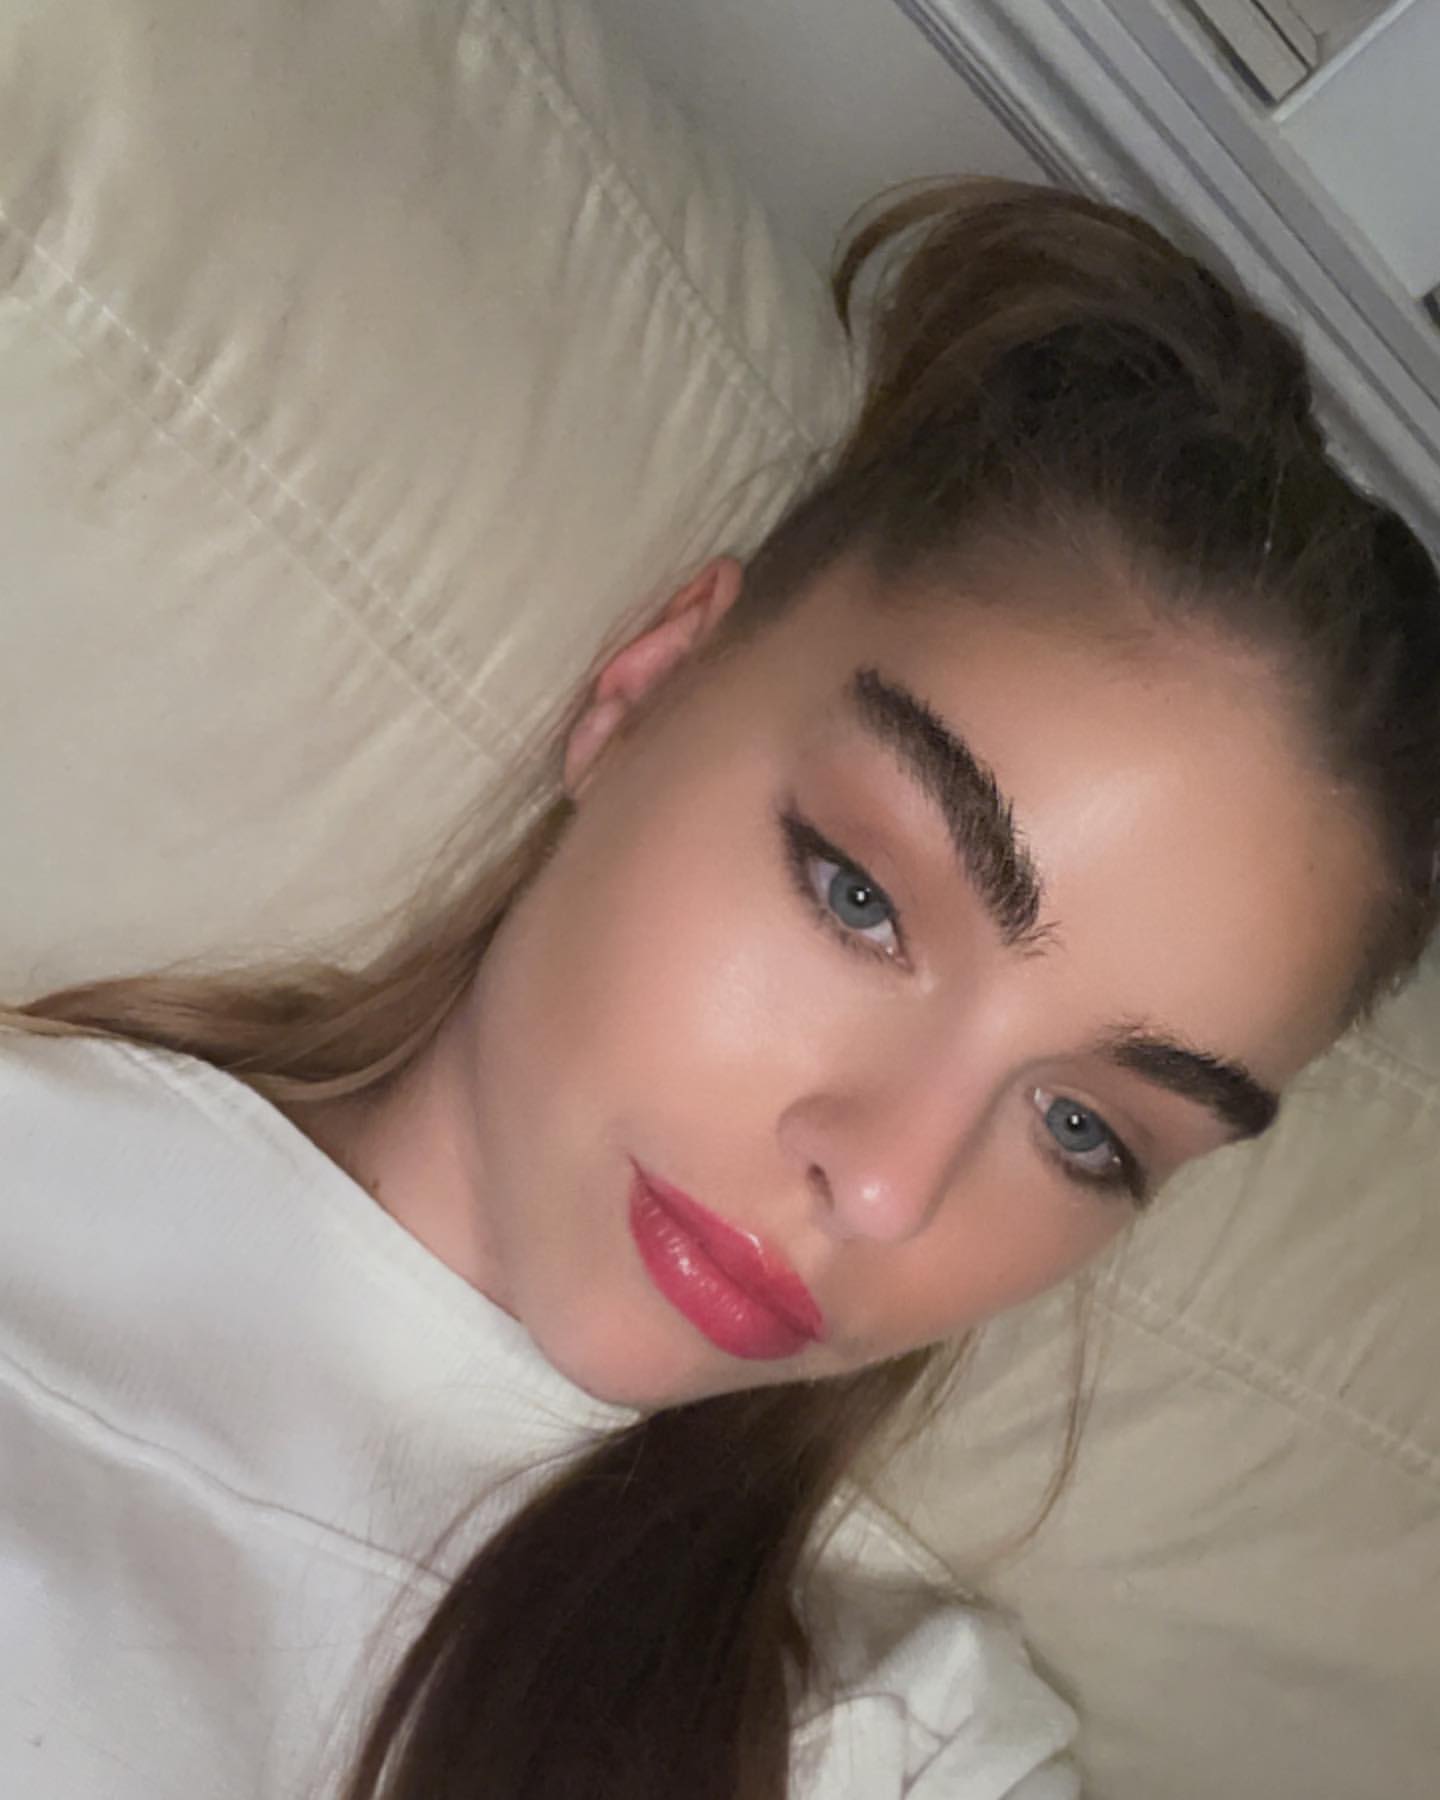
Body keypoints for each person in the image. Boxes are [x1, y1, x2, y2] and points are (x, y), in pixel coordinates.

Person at [2, 178, 1437, 1800]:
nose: (886, 1187)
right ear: (649, 684)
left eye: (1083, 1131)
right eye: (860, 896)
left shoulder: (891, 1748)